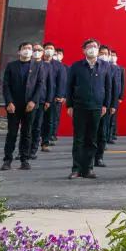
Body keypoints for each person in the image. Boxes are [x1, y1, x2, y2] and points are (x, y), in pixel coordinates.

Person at [66, 39, 113, 179]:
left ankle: (88, 169)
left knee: (92, 139)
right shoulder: (76, 66)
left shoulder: (105, 66)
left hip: (97, 107)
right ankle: (76, 169)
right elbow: (69, 86)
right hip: (79, 107)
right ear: (84, 50)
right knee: (79, 139)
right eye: (89, 46)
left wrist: (105, 105)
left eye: (94, 46)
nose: (92, 49)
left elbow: (108, 87)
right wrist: (69, 105)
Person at [0, 42, 44, 170]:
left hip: (30, 105)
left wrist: (33, 101)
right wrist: (9, 102)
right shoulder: (11, 66)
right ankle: (7, 160)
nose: (27, 50)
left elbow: (40, 85)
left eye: (29, 48)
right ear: (19, 51)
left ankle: (24, 159)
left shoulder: (37, 66)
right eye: (25, 48)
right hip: (14, 105)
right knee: (12, 133)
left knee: (27, 132)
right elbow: (6, 85)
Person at [25, 43, 50, 160]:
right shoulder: (27, 64)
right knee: (27, 127)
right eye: (34, 50)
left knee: (37, 126)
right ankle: (24, 150)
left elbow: (50, 84)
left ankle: (33, 150)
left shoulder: (47, 66)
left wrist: (48, 100)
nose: (37, 52)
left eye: (39, 50)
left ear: (43, 52)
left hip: (40, 100)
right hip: (27, 100)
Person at [39, 43, 60, 152]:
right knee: (37, 121)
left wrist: (59, 95)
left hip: (52, 97)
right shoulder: (37, 62)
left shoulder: (57, 65)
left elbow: (61, 81)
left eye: (51, 48)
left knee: (49, 121)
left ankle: (45, 142)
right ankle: (34, 141)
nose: (48, 50)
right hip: (38, 97)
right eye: (47, 48)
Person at [47, 48, 68, 145]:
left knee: (55, 117)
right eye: (55, 53)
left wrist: (64, 96)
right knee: (47, 118)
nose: (57, 55)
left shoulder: (65, 67)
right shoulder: (48, 65)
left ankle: (52, 134)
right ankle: (45, 135)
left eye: (59, 54)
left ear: (62, 56)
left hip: (58, 96)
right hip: (48, 95)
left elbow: (66, 83)